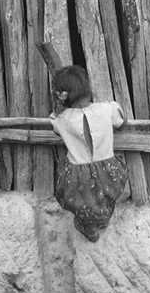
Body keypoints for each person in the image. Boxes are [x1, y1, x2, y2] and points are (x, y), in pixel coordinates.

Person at [49, 65, 129, 242]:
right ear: (88, 87)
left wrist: (61, 105)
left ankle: (89, 227)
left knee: (81, 201)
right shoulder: (108, 109)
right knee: (106, 196)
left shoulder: (60, 120)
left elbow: (56, 126)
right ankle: (103, 218)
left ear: (62, 95)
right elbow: (122, 123)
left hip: (77, 177)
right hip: (108, 171)